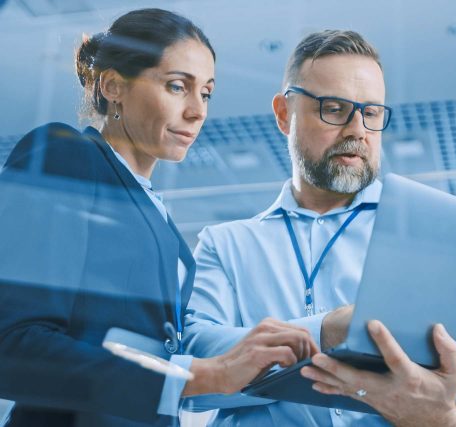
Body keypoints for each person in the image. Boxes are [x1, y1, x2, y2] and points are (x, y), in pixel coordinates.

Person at [184, 29, 456, 426]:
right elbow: (192, 373)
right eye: (334, 108)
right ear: (283, 114)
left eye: (372, 112)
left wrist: (451, 418)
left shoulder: (437, 237)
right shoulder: (227, 246)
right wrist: (325, 331)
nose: (357, 129)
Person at [0, 8, 317, 427]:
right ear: (112, 85)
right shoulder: (67, 155)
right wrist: (200, 374)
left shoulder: (160, 218)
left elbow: (139, 358)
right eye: (176, 86)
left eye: (205, 93)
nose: (197, 111)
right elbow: (12, 345)